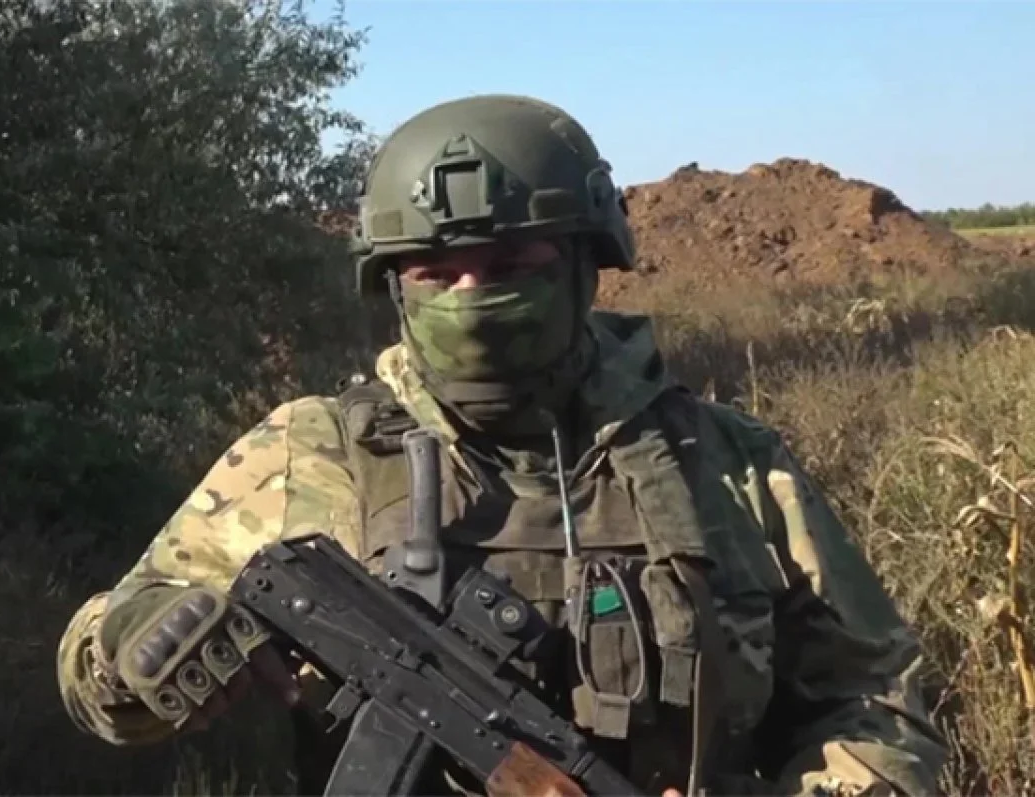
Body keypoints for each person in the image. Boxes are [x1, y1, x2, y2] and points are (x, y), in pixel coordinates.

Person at [56, 94, 946, 796]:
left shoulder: (730, 464)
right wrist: (138, 642)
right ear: (393, 285)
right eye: (437, 271)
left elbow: (876, 698)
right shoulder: (309, 453)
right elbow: (102, 675)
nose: (472, 296)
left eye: (513, 265)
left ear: (587, 263)